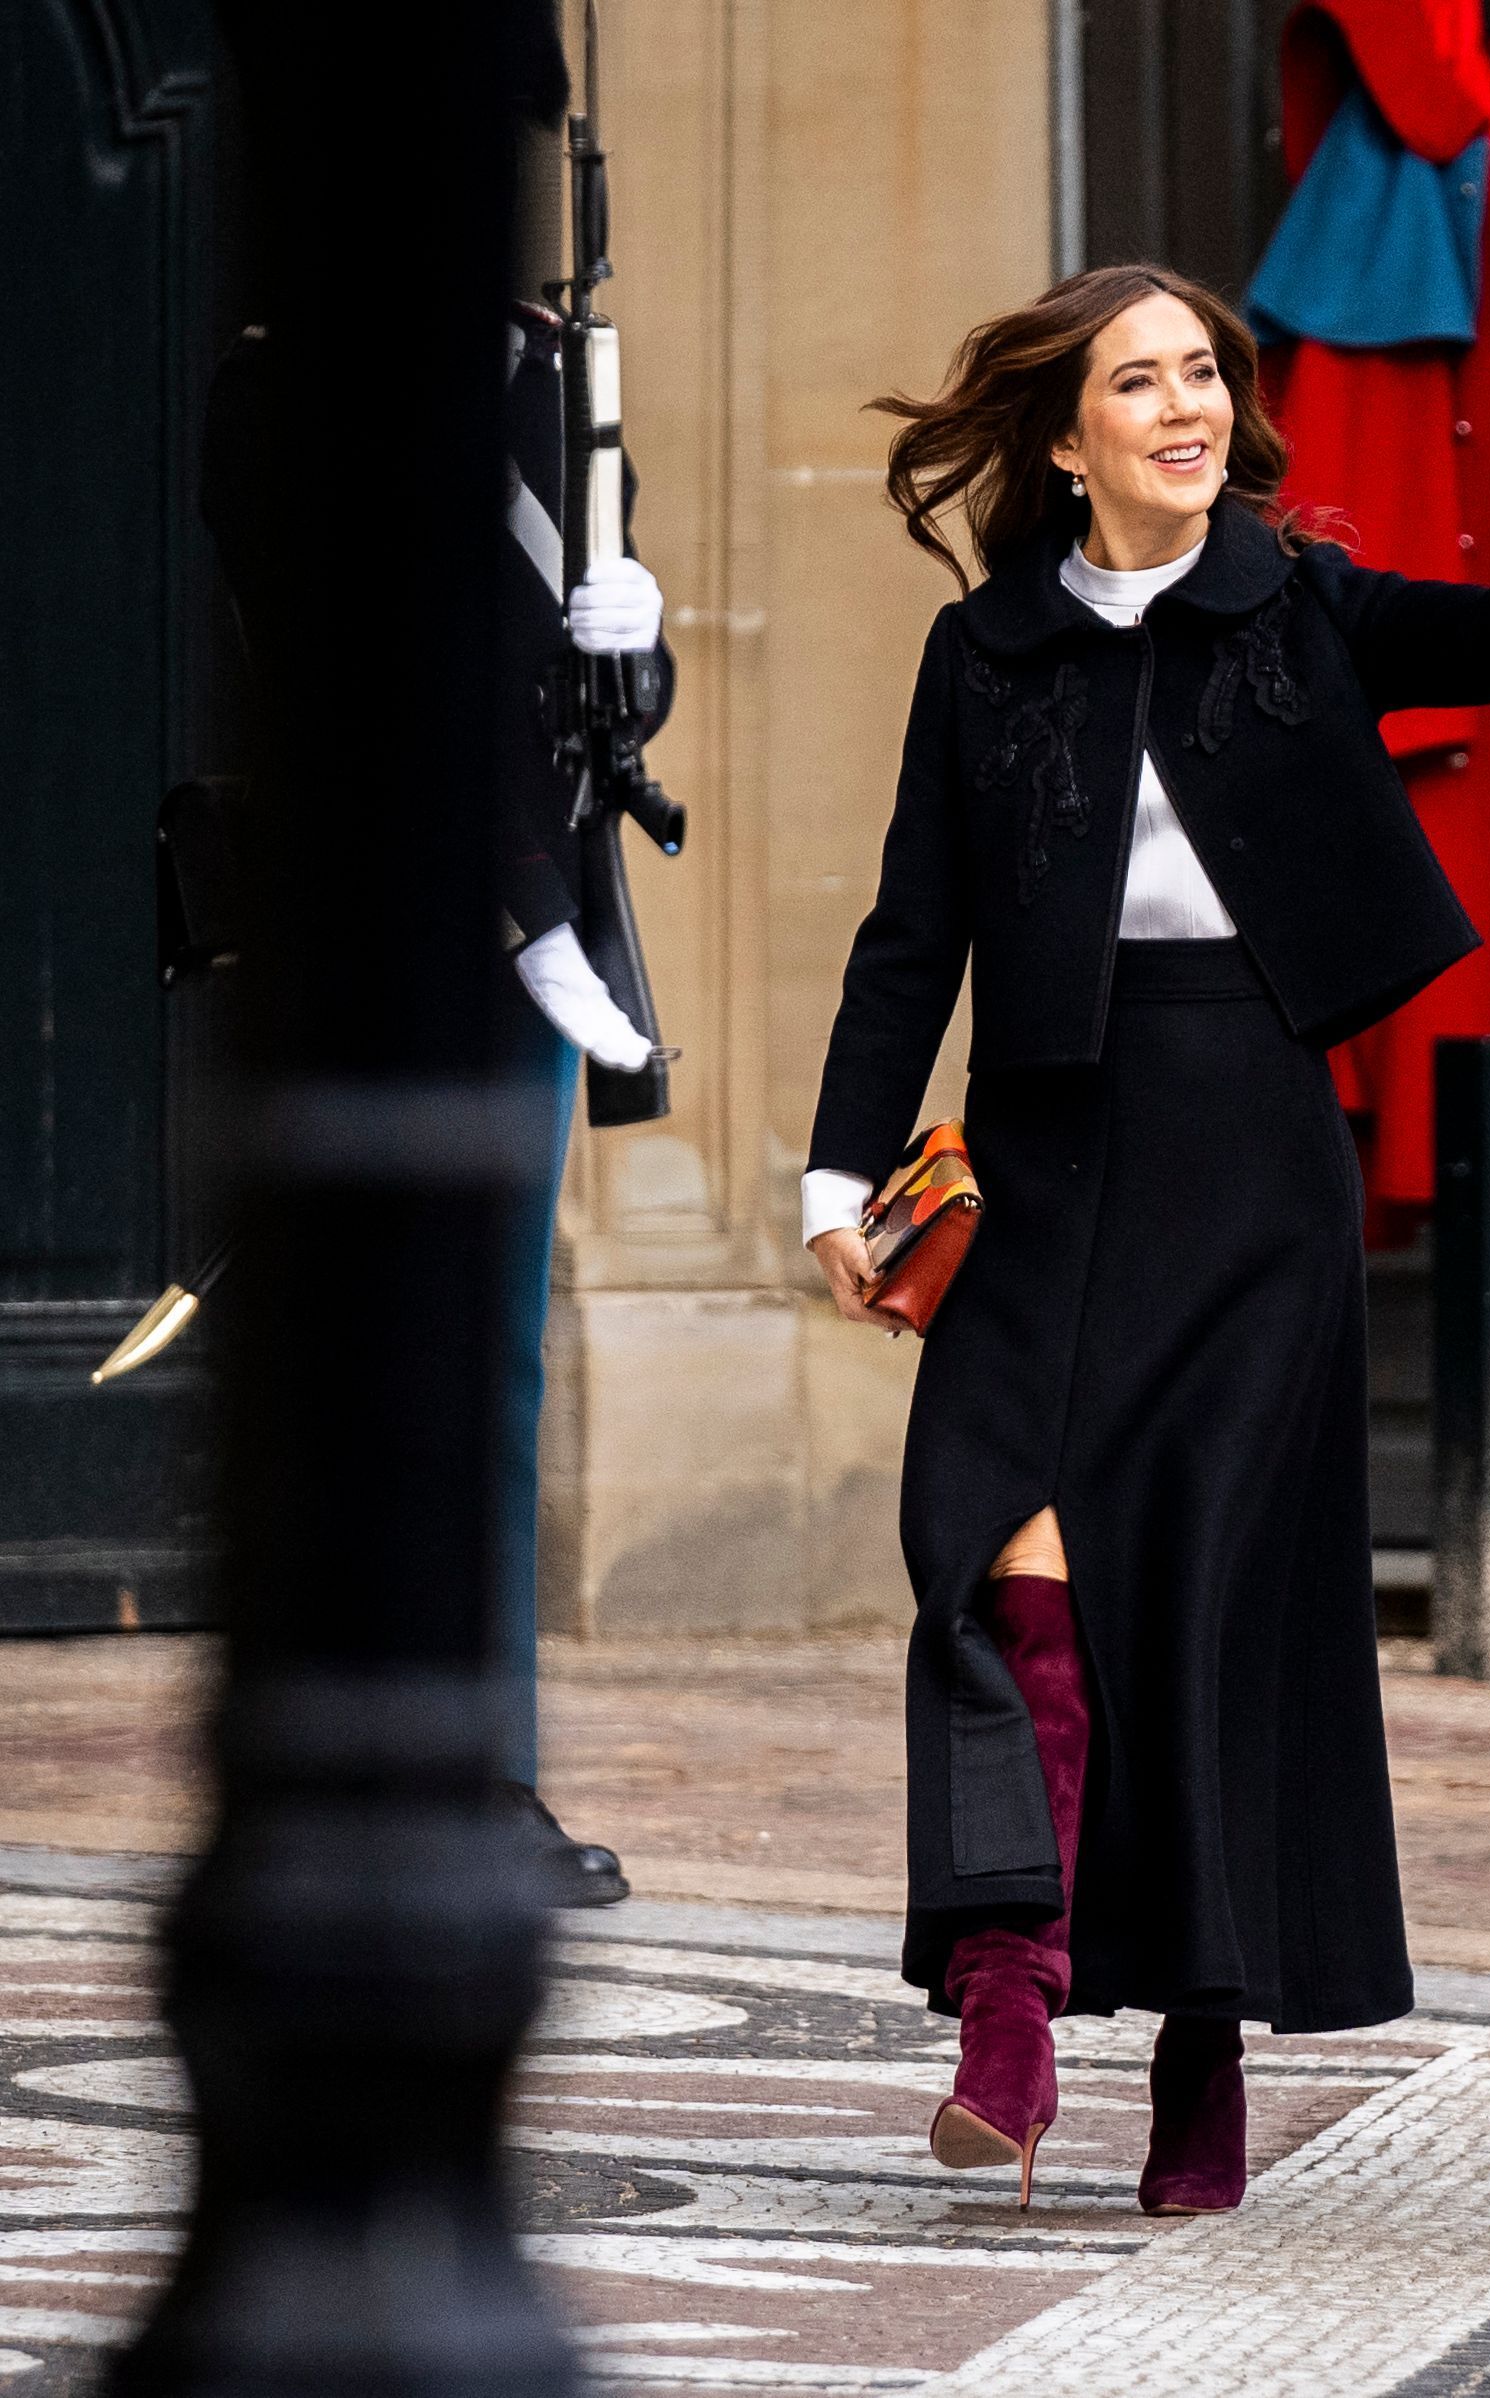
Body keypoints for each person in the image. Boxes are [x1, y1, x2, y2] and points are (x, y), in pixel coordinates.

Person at [802, 242, 1490, 2209]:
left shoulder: (1303, 602)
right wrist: (838, 1176)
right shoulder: (987, 652)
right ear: (1062, 430)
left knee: (1190, 1599)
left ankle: (1199, 2038)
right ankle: (1009, 1985)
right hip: (1035, 1168)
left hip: (1254, 1168)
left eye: (1204, 373)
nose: (1190, 407)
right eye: (1143, 382)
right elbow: (906, 932)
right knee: (993, 1558)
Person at [195, 42, 657, 1910]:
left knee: (492, 1370)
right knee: (349, 1360)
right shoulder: (273, 387)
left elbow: (609, 659)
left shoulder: (553, 368)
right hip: (383, 927)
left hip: (542, 939)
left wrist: (639, 653)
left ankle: (492, 1778)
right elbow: (342, 653)